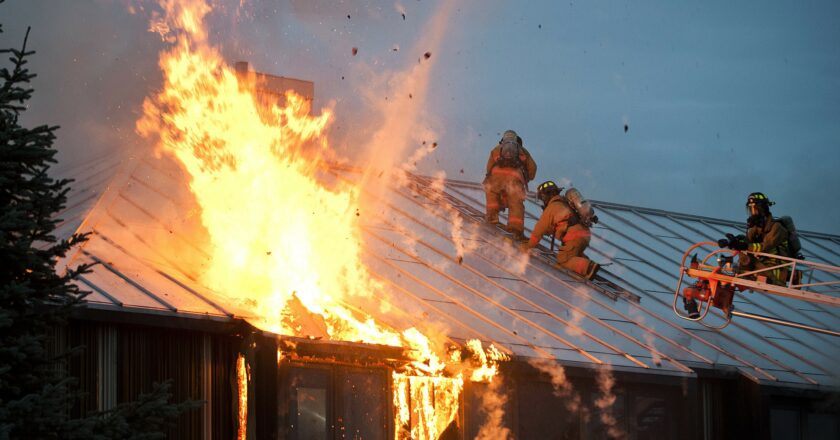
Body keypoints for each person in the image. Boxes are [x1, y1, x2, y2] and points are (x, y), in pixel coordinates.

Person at [521, 181, 600, 280]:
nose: (543, 202)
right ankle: (583, 263)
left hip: (574, 236)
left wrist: (528, 246)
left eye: (542, 199)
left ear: (545, 197)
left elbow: (538, 231)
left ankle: (588, 267)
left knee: (563, 259)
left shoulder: (551, 207)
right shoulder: (566, 203)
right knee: (572, 252)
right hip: (584, 234)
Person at [483, 130, 537, 242]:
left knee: (492, 194)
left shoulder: (497, 148)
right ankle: (515, 229)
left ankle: (492, 218)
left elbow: (489, 167)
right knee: (515, 203)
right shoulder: (523, 151)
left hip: (496, 175)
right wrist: (526, 178)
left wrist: (491, 177)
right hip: (515, 178)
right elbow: (533, 169)